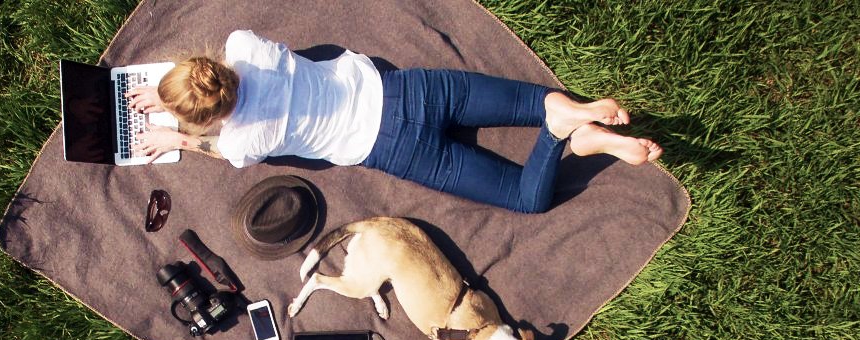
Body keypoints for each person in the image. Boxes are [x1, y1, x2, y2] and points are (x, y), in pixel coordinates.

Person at [127, 30, 662, 213]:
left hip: (393, 147)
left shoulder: (242, 140)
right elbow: (216, 81)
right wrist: (174, 90)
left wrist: (179, 133)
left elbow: (218, 147)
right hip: (409, 88)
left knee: (527, 197)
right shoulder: (244, 46)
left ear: (211, 117)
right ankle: (567, 118)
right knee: (533, 99)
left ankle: (562, 135)